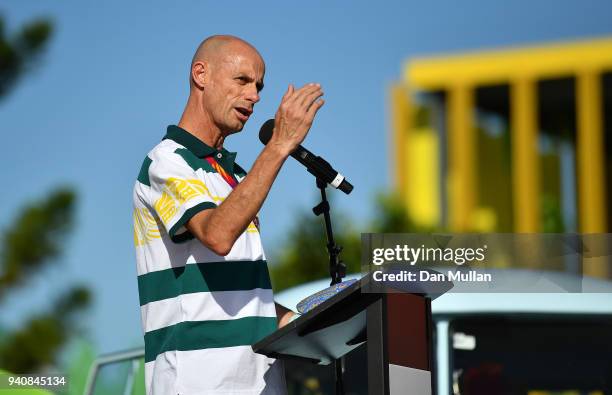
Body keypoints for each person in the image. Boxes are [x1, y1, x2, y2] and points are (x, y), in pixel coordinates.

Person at [132, 34, 324, 394]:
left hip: (262, 382)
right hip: (197, 383)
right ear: (200, 75)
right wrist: (280, 144)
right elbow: (217, 235)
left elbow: (245, 298)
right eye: (243, 80)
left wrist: (319, 326)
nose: (255, 96)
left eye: (259, 86)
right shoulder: (167, 160)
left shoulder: (235, 177)